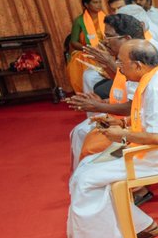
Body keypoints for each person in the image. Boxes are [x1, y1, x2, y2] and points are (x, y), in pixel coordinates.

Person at [67, 40, 158, 238]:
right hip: (153, 150)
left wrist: (122, 135)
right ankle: (136, 225)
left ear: (137, 65)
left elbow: (157, 136)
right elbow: (149, 121)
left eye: (120, 62)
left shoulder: (157, 88)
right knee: (87, 167)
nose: (118, 66)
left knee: (85, 178)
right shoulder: (154, 79)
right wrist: (122, 124)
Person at [65, 13, 151, 164]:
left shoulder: (140, 60)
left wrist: (99, 106)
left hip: (139, 127)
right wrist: (104, 101)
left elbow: (136, 105)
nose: (105, 41)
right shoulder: (129, 55)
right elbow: (123, 86)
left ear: (127, 39)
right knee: (80, 132)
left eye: (109, 37)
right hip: (128, 120)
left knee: (84, 139)